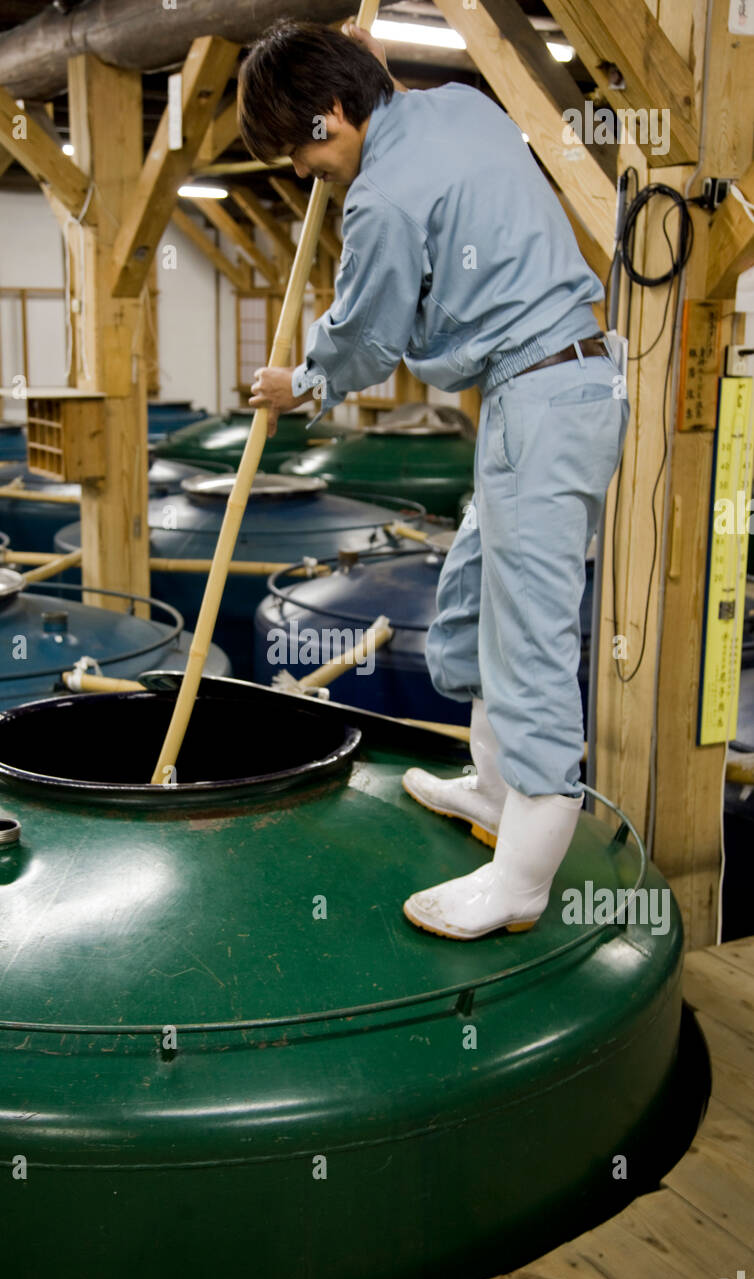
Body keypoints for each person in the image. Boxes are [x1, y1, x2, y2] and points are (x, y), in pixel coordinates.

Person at [240, 20, 629, 941]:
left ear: (332, 116)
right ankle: (495, 792)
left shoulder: (378, 200)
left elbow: (369, 333)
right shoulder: (457, 106)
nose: (304, 173)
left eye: (300, 150)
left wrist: (300, 383)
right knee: (470, 597)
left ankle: (523, 879)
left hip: (543, 399)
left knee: (530, 634)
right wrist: (364, 61)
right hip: (552, 385)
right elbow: (388, 109)